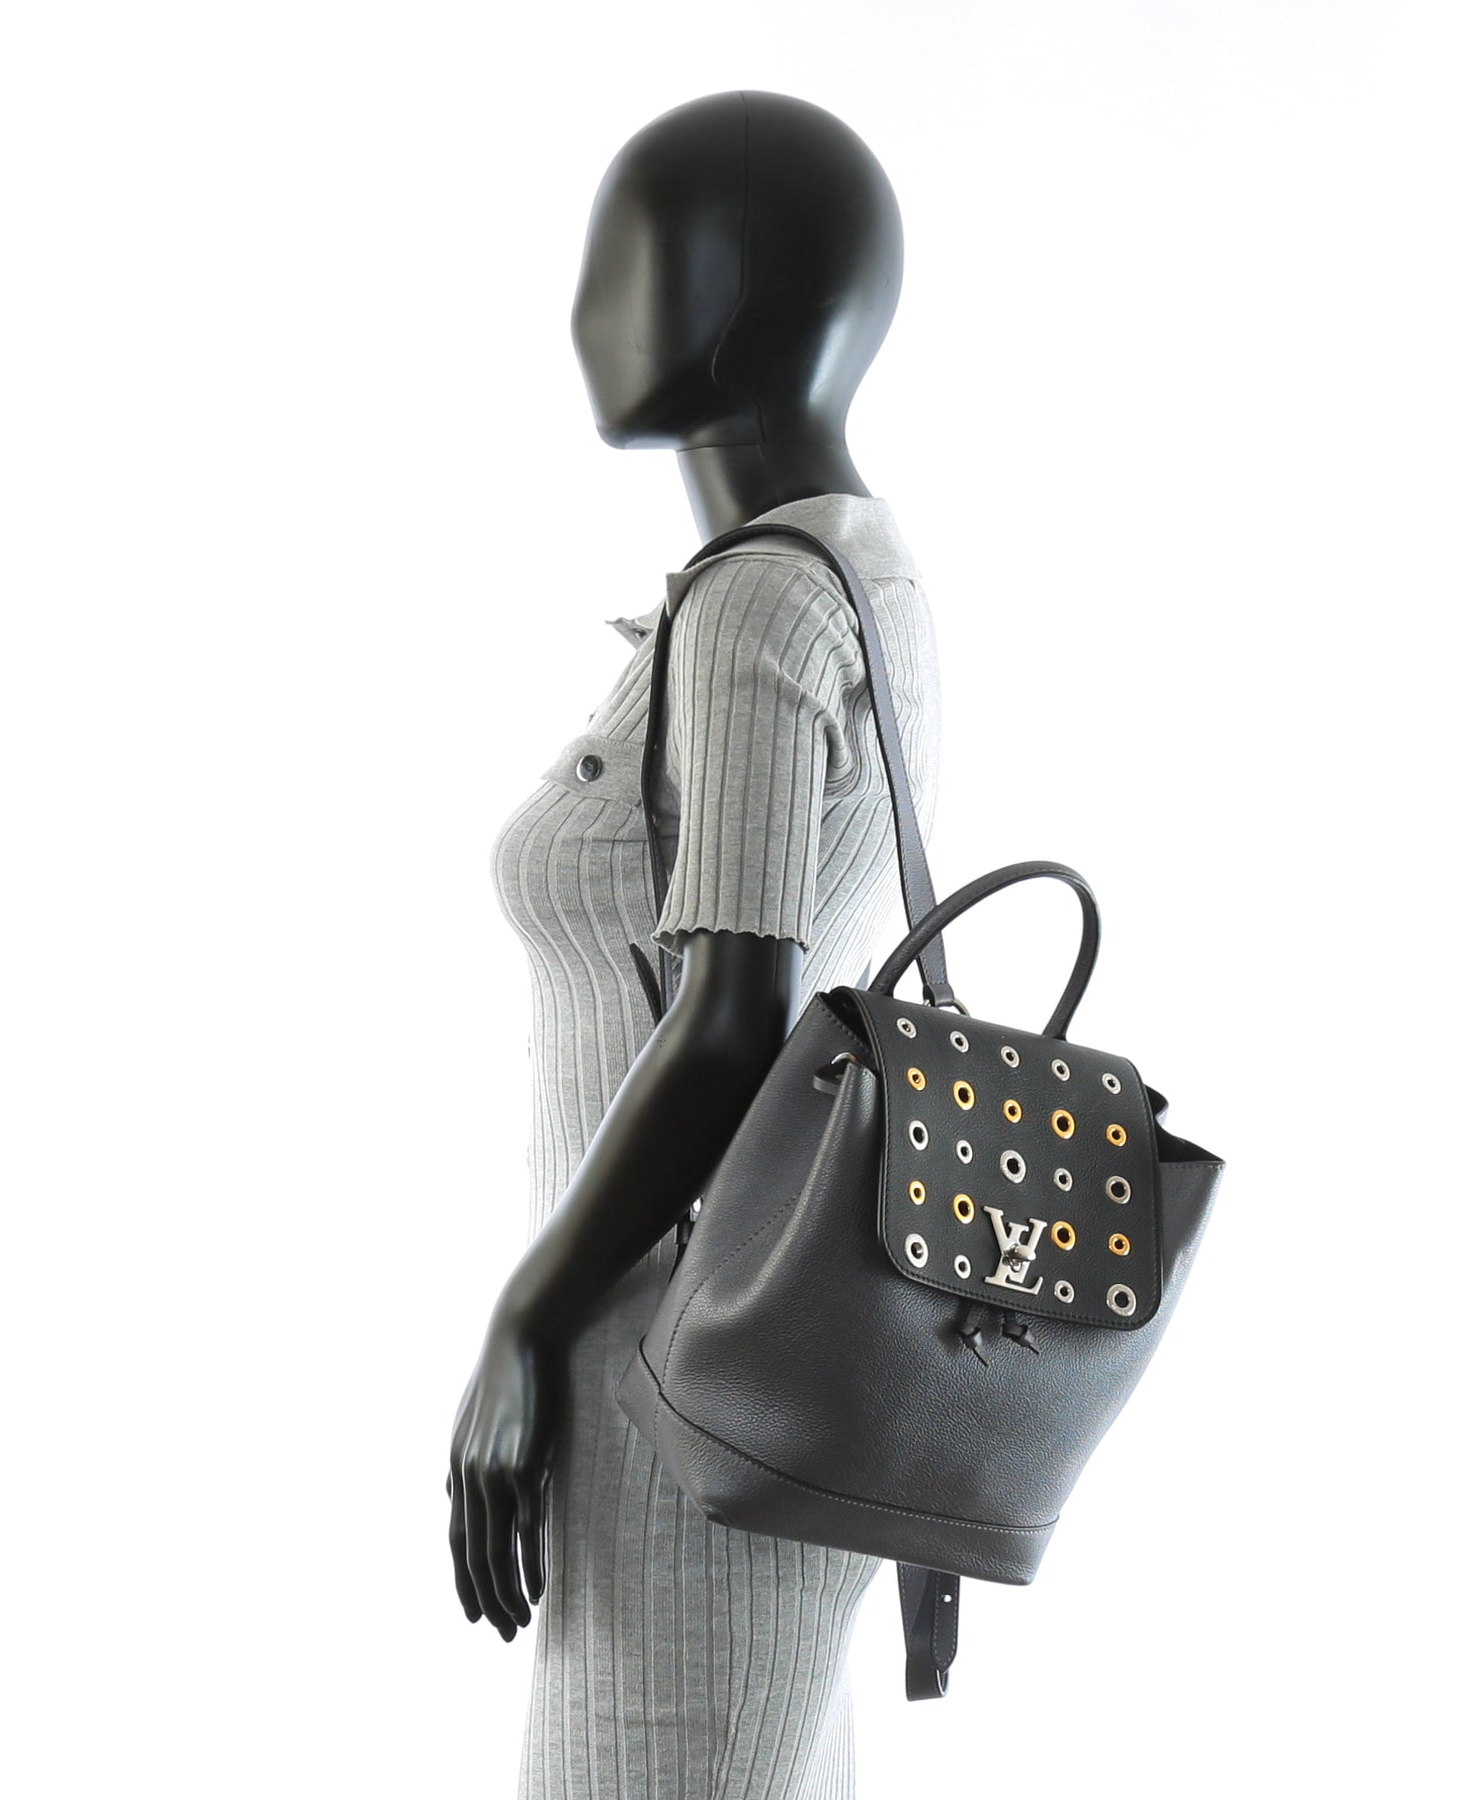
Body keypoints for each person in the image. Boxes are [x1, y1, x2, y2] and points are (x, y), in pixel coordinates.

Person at [447, 90, 943, 1798]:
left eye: (618, 262)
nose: (584, 310)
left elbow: (734, 1014)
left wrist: (526, 1315)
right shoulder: (868, 570)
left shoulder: (761, 602)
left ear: (732, 292)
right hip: (776, 1373)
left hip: (682, 1380)